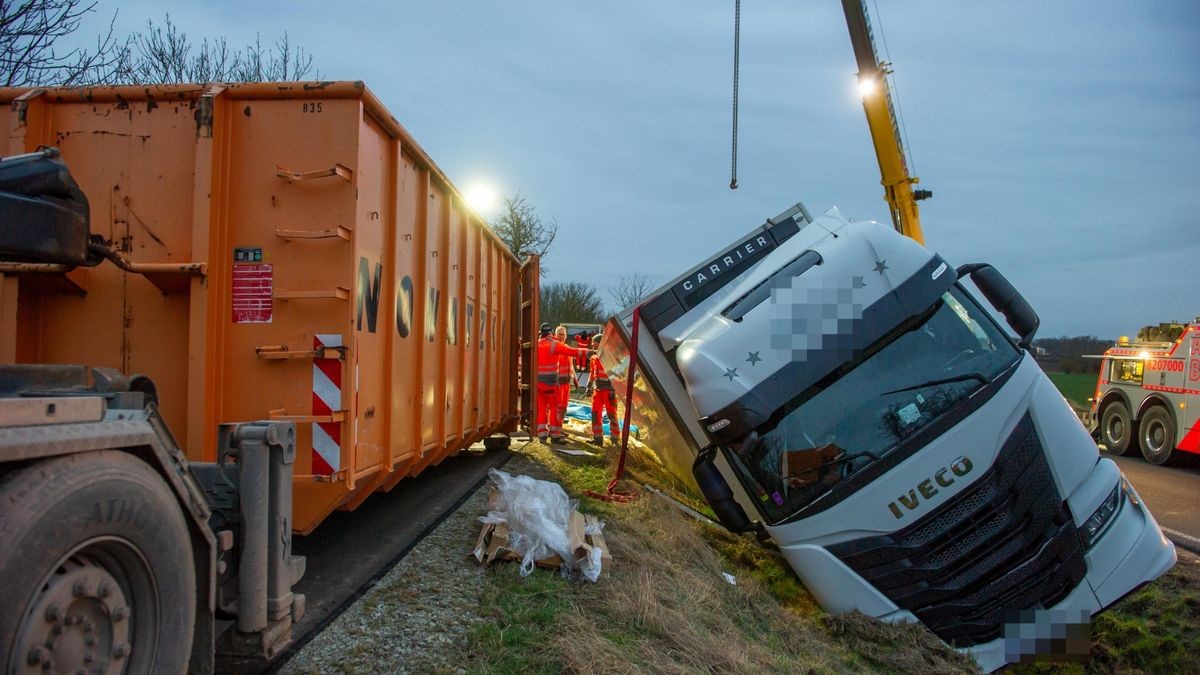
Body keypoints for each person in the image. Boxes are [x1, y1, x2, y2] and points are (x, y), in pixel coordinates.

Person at [588, 334, 621, 446]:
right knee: (595, 414)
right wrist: (589, 386)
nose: (592, 344)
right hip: (598, 391)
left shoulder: (610, 357)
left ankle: (615, 439)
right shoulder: (593, 357)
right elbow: (592, 373)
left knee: (611, 415)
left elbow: (616, 374)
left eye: (594, 342)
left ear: (600, 343)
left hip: (608, 391)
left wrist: (613, 389)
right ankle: (598, 438)